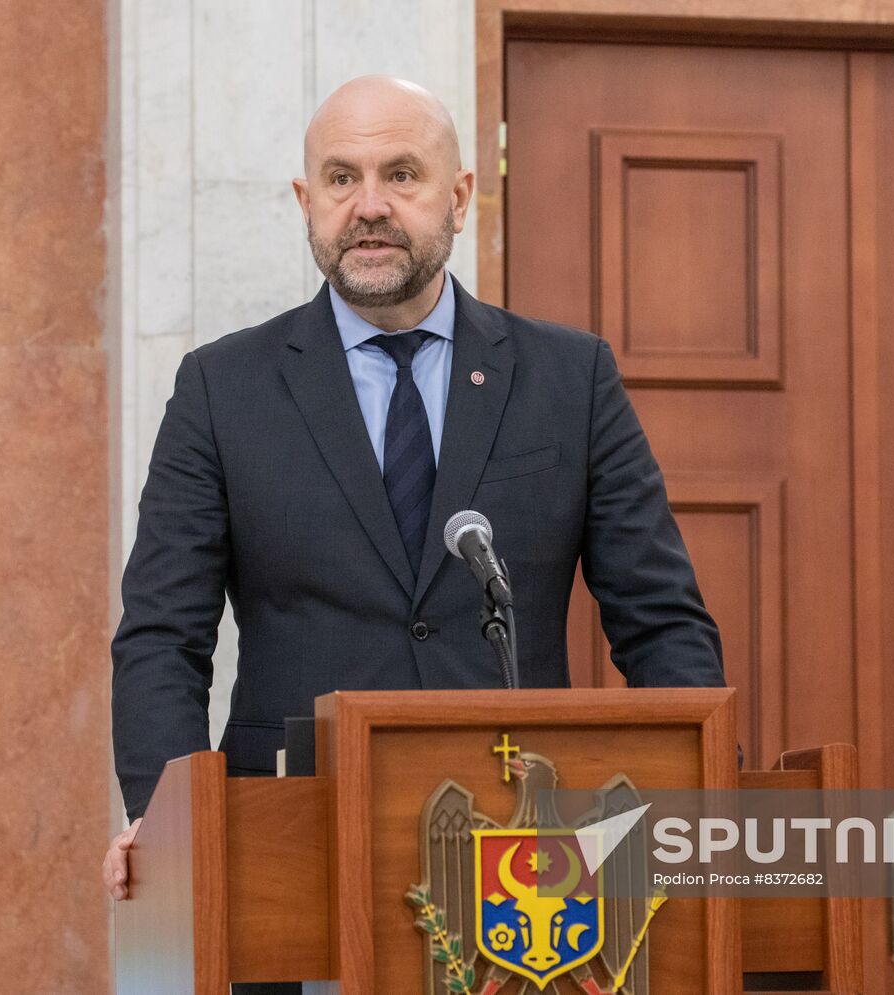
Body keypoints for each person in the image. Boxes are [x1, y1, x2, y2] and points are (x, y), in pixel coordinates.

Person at [103, 78, 726, 988]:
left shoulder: (569, 377)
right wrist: (169, 822)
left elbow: (662, 621)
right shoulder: (221, 389)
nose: (370, 206)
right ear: (306, 202)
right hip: (288, 862)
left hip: (530, 876)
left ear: (462, 196)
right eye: (341, 178)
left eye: (402, 174)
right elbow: (162, 636)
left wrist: (700, 806)